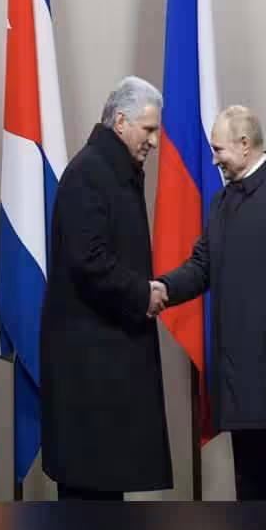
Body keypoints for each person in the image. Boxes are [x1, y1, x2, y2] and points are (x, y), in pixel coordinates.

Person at [158, 105, 266, 500]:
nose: (214, 158)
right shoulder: (221, 203)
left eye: (219, 150)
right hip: (239, 376)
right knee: (250, 488)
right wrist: (161, 289)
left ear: (244, 145)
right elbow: (201, 266)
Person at [38, 77, 171, 500]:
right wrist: (142, 293)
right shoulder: (91, 173)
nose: (154, 140)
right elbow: (88, 260)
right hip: (90, 365)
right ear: (119, 121)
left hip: (103, 359)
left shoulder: (110, 169)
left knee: (104, 483)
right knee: (90, 488)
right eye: (148, 130)